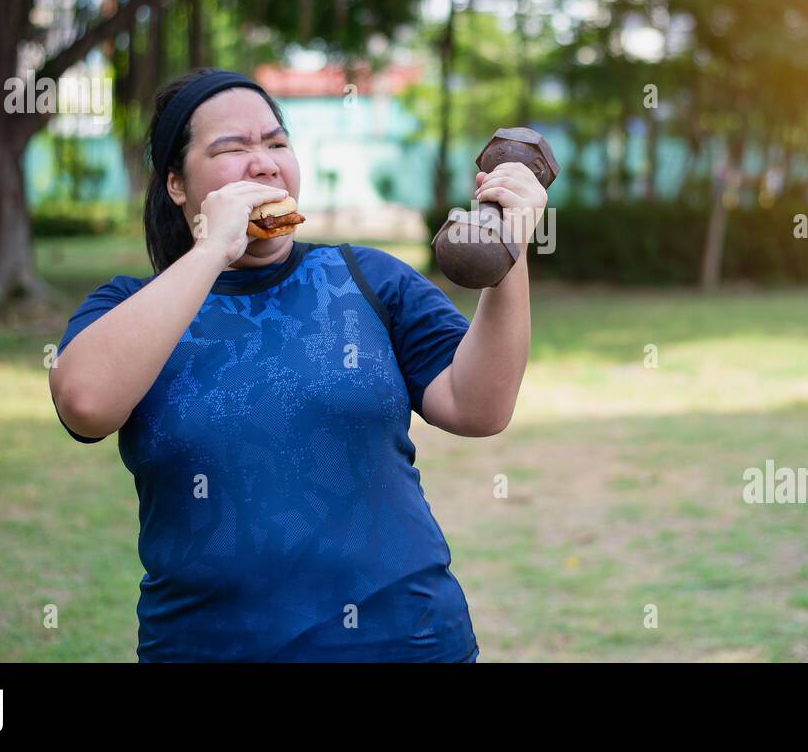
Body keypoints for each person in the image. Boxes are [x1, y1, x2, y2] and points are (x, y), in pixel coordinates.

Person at [48, 67, 545, 662]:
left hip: (405, 641)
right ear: (177, 184)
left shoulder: (367, 279)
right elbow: (85, 405)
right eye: (231, 149)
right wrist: (212, 250)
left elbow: (479, 406)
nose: (264, 163)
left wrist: (508, 244)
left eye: (276, 142)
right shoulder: (127, 309)